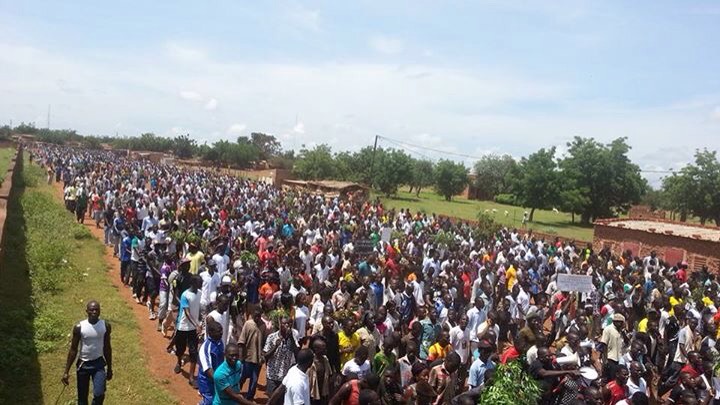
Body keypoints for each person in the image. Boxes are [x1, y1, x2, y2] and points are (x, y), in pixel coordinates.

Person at [61, 300, 113, 405]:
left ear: (100, 311)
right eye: (92, 310)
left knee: (99, 394)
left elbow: (107, 348)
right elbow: (73, 350)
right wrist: (66, 371)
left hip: (98, 364)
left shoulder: (105, 326)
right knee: (82, 398)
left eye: (97, 310)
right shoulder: (79, 327)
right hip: (83, 365)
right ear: (86, 311)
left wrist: (109, 368)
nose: (94, 312)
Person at [175, 275, 202, 386]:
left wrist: (199, 321)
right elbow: (186, 312)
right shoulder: (185, 295)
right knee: (180, 348)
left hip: (193, 328)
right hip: (183, 327)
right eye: (199, 282)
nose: (201, 284)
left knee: (193, 352)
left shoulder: (199, 293)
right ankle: (178, 362)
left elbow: (198, 308)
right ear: (193, 283)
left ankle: (191, 377)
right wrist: (196, 324)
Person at [238, 307, 264, 400]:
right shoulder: (248, 324)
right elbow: (241, 341)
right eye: (255, 316)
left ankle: (249, 397)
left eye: (259, 316)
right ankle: (236, 392)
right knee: (242, 376)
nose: (257, 318)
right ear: (252, 315)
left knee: (254, 379)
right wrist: (241, 357)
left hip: (258, 358)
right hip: (247, 357)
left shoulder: (263, 325)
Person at [198, 320, 225, 405]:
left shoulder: (220, 342)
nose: (221, 333)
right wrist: (220, 382)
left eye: (221, 331)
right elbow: (208, 369)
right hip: (206, 381)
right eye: (219, 332)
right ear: (210, 333)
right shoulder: (205, 348)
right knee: (210, 401)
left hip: (216, 378)